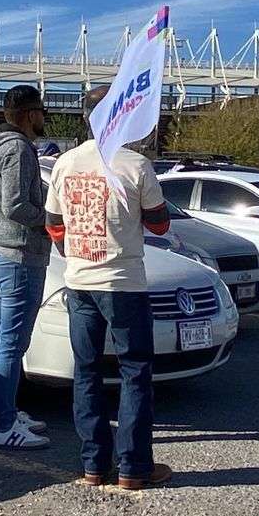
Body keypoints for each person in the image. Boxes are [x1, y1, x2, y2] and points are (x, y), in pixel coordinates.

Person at [44, 86, 173, 490]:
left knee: (87, 372)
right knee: (135, 372)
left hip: (80, 281)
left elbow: (53, 223)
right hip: (123, 284)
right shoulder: (136, 165)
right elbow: (160, 224)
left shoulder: (65, 163)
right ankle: (134, 468)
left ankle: (93, 466)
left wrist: (74, 252)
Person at [0, 86, 50, 449]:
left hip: (7, 255)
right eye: (42, 111)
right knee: (11, 343)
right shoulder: (18, 149)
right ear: (29, 114)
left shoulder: (2, 148)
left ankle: (5, 412)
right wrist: (51, 219)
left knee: (1, 341)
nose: (44, 117)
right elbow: (16, 206)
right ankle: (5, 426)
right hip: (19, 258)